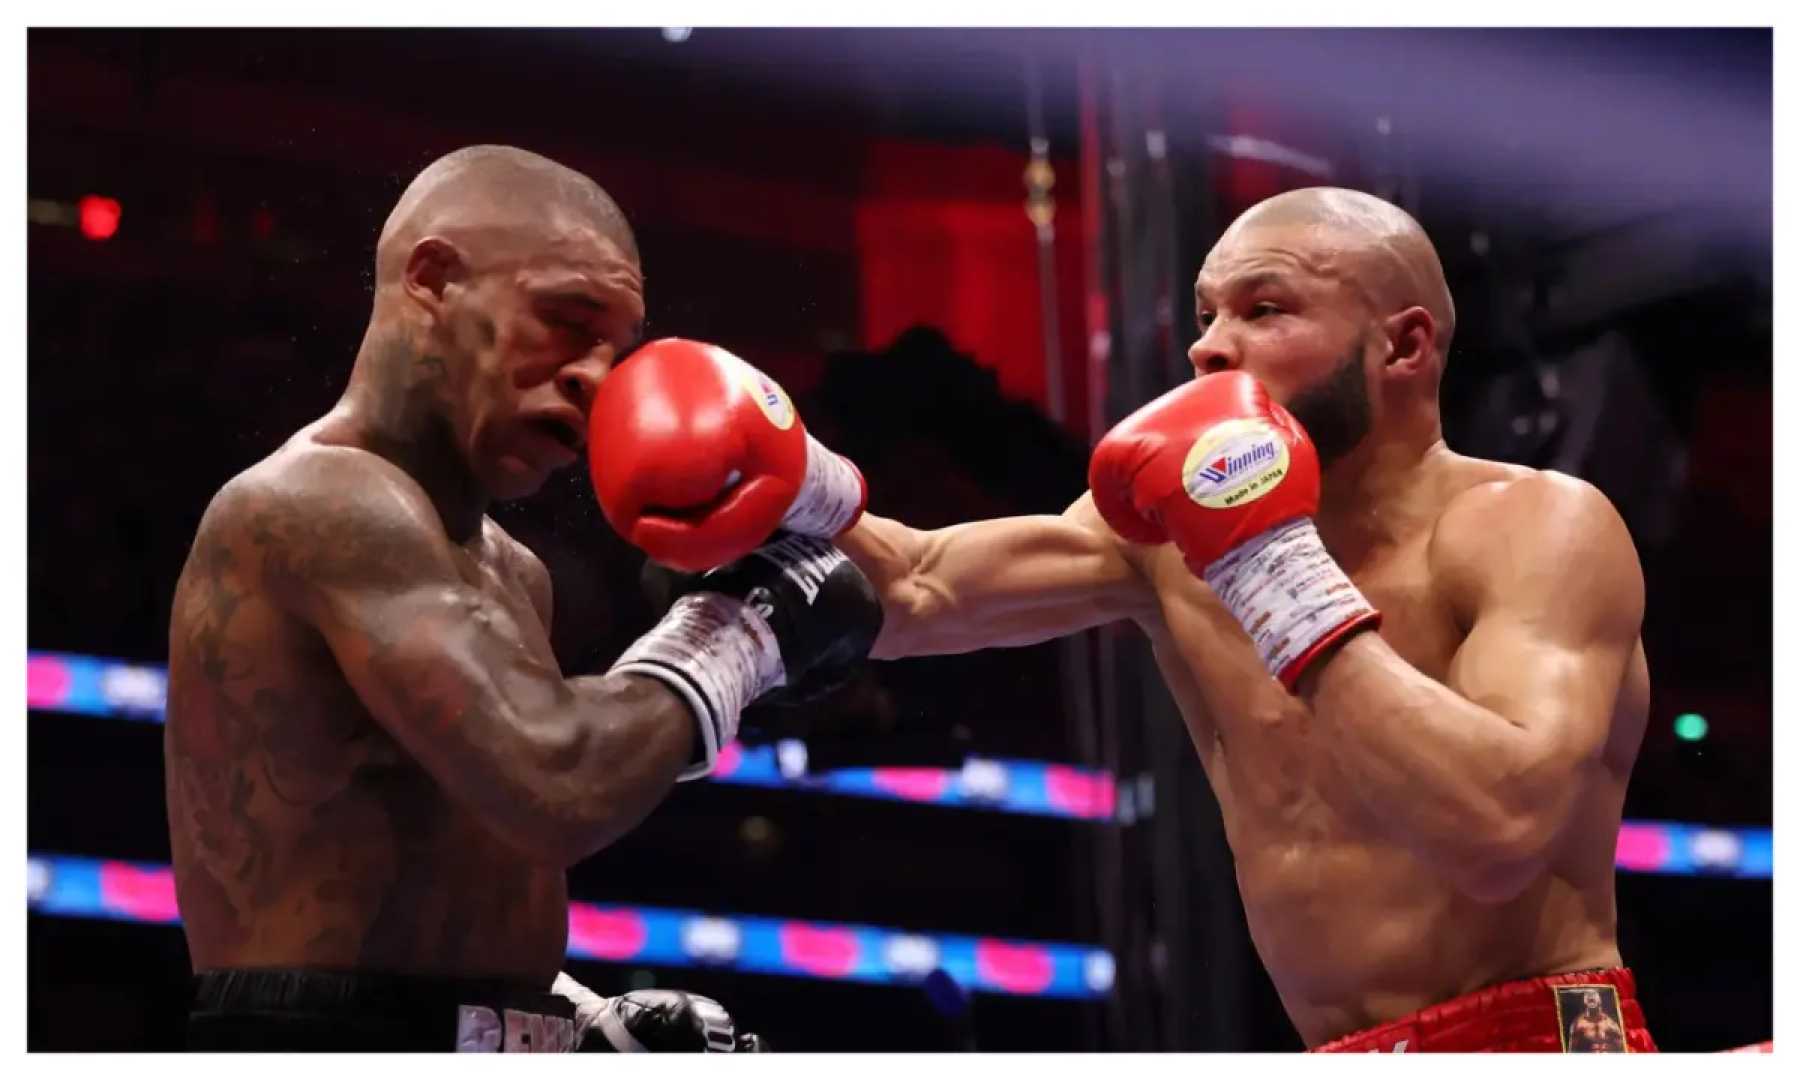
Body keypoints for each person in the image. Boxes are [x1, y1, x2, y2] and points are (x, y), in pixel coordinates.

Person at [605, 187, 1657, 1052]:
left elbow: (1499, 832)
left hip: (1540, 1038)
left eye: (1264, 310)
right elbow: (922, 586)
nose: (1211, 349)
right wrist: (795, 475)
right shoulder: (1166, 540)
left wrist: (1270, 567)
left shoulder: (1535, 527)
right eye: (1206, 316)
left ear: (1404, 345)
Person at [163, 145, 880, 1052]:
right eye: (566, 320)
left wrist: (572, 1017)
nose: (596, 378)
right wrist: (741, 630)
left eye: (616, 350)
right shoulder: (317, 501)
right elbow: (557, 784)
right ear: (433, 280)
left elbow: (463, 866)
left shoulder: (513, 570)